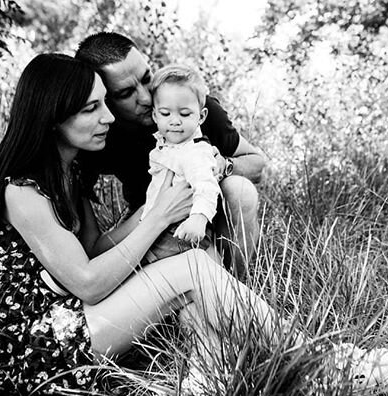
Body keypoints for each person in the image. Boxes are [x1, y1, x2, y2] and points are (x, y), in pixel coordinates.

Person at [0, 53, 388, 396]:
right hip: (34, 349)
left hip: (71, 320)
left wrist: (157, 203)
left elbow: (95, 249)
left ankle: (205, 384)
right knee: (189, 269)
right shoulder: (21, 191)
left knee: (193, 274)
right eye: (92, 108)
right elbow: (91, 283)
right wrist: (158, 217)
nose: (109, 118)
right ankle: (319, 367)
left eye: (104, 104)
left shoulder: (69, 171)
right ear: (53, 117)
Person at [75, 32, 264, 276]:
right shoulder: (99, 134)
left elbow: (257, 164)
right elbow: (80, 217)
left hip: (207, 211)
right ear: (103, 98)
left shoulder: (188, 108)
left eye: (146, 79)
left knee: (241, 190)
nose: (145, 97)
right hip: (150, 221)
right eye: (125, 94)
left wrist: (223, 165)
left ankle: (239, 281)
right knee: (194, 307)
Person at [141, 64, 220, 264]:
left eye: (185, 114)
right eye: (166, 114)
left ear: (201, 116)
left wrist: (199, 218)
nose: (175, 121)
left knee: (146, 266)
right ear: (155, 116)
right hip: (158, 225)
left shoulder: (195, 151)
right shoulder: (165, 146)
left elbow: (207, 186)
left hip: (181, 229)